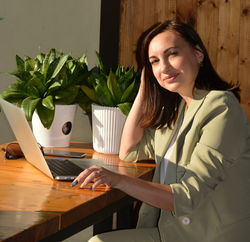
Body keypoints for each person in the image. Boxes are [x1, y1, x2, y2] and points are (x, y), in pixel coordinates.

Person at [72, 20, 250, 242]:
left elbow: (186, 196)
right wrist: (144, 90)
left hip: (208, 236)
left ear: (198, 54)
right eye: (154, 61)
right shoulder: (176, 112)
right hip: (174, 233)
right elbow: (129, 151)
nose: (164, 67)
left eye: (172, 54)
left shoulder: (220, 106)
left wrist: (116, 179)